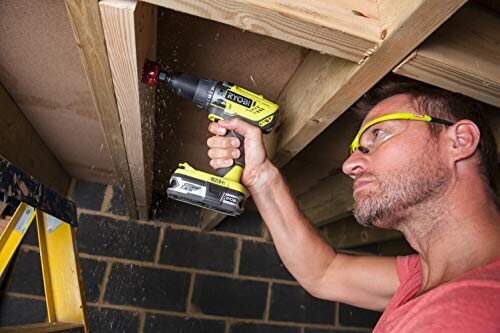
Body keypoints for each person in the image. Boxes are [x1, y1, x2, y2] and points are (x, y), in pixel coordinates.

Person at [206, 77, 500, 332]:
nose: (349, 165)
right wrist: (261, 177)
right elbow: (324, 272)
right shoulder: (425, 274)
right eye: (356, 149)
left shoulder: (472, 309)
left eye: (378, 134)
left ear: (460, 141)